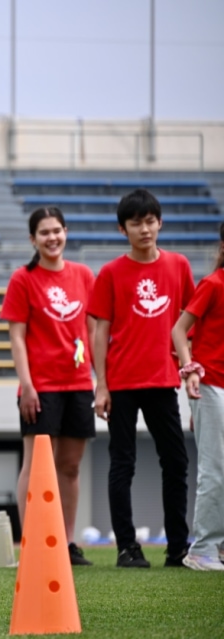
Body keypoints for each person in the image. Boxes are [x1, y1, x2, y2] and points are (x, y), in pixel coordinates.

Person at [88, 189, 194, 569]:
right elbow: (100, 331)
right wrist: (100, 384)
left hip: (164, 381)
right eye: (136, 222)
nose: (145, 228)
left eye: (150, 221)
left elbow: (189, 321)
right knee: (122, 464)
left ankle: (178, 548)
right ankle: (127, 548)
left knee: (176, 462)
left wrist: (188, 365)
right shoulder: (111, 273)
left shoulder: (179, 266)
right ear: (123, 229)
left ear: (160, 223)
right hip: (121, 383)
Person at [0, 208, 96, 566]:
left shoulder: (84, 275)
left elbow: (93, 331)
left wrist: (102, 383)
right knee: (37, 463)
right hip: (40, 386)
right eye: (44, 233)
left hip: (79, 383)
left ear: (66, 232)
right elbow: (17, 336)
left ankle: (66, 543)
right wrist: (27, 384)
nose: (52, 238)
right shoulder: (23, 279)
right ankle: (33, 542)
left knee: (70, 467)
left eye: (57, 230)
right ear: (33, 239)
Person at [170, 222, 224, 571]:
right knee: (215, 470)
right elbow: (178, 329)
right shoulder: (213, 284)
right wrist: (190, 369)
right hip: (212, 382)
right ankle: (203, 549)